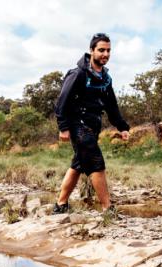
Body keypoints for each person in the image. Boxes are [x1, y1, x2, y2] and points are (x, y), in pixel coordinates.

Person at [53, 33, 130, 216]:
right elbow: (61, 101)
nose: (105, 54)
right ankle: (107, 209)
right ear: (92, 51)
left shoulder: (105, 78)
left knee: (78, 165)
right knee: (96, 163)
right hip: (77, 124)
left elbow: (111, 105)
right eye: (101, 50)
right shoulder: (78, 73)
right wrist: (63, 127)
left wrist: (122, 126)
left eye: (108, 50)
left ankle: (60, 204)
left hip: (93, 126)